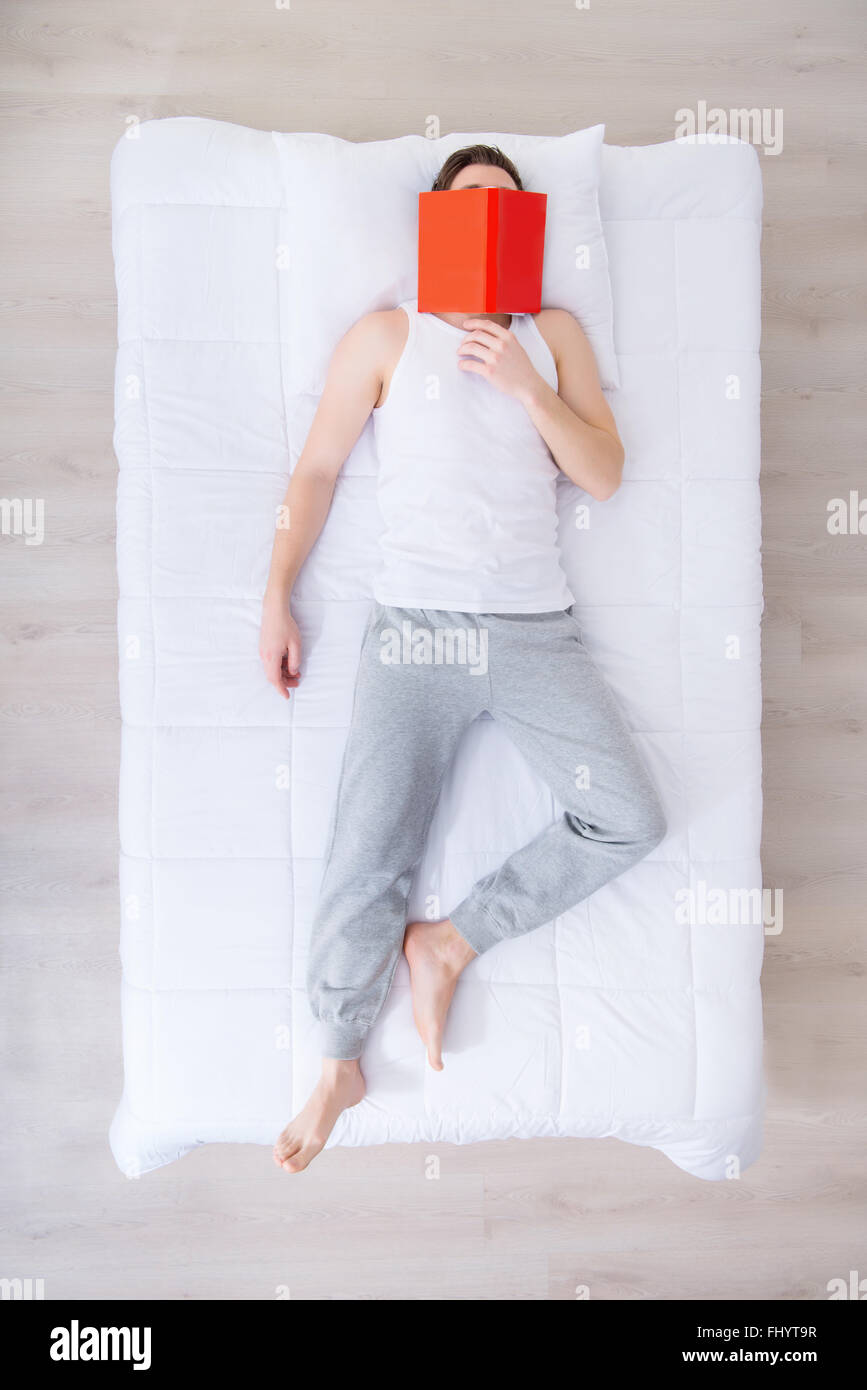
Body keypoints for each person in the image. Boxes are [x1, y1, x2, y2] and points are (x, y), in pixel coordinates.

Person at [259, 144, 667, 1173]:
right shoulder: (388, 335)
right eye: (468, 207)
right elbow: (313, 470)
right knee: (367, 845)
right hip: (416, 632)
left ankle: (452, 940)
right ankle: (337, 1061)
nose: (486, 222)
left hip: (535, 629)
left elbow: (606, 475)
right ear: (438, 221)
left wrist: (531, 387)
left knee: (631, 814)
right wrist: (277, 593)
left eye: (506, 209)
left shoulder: (553, 331)